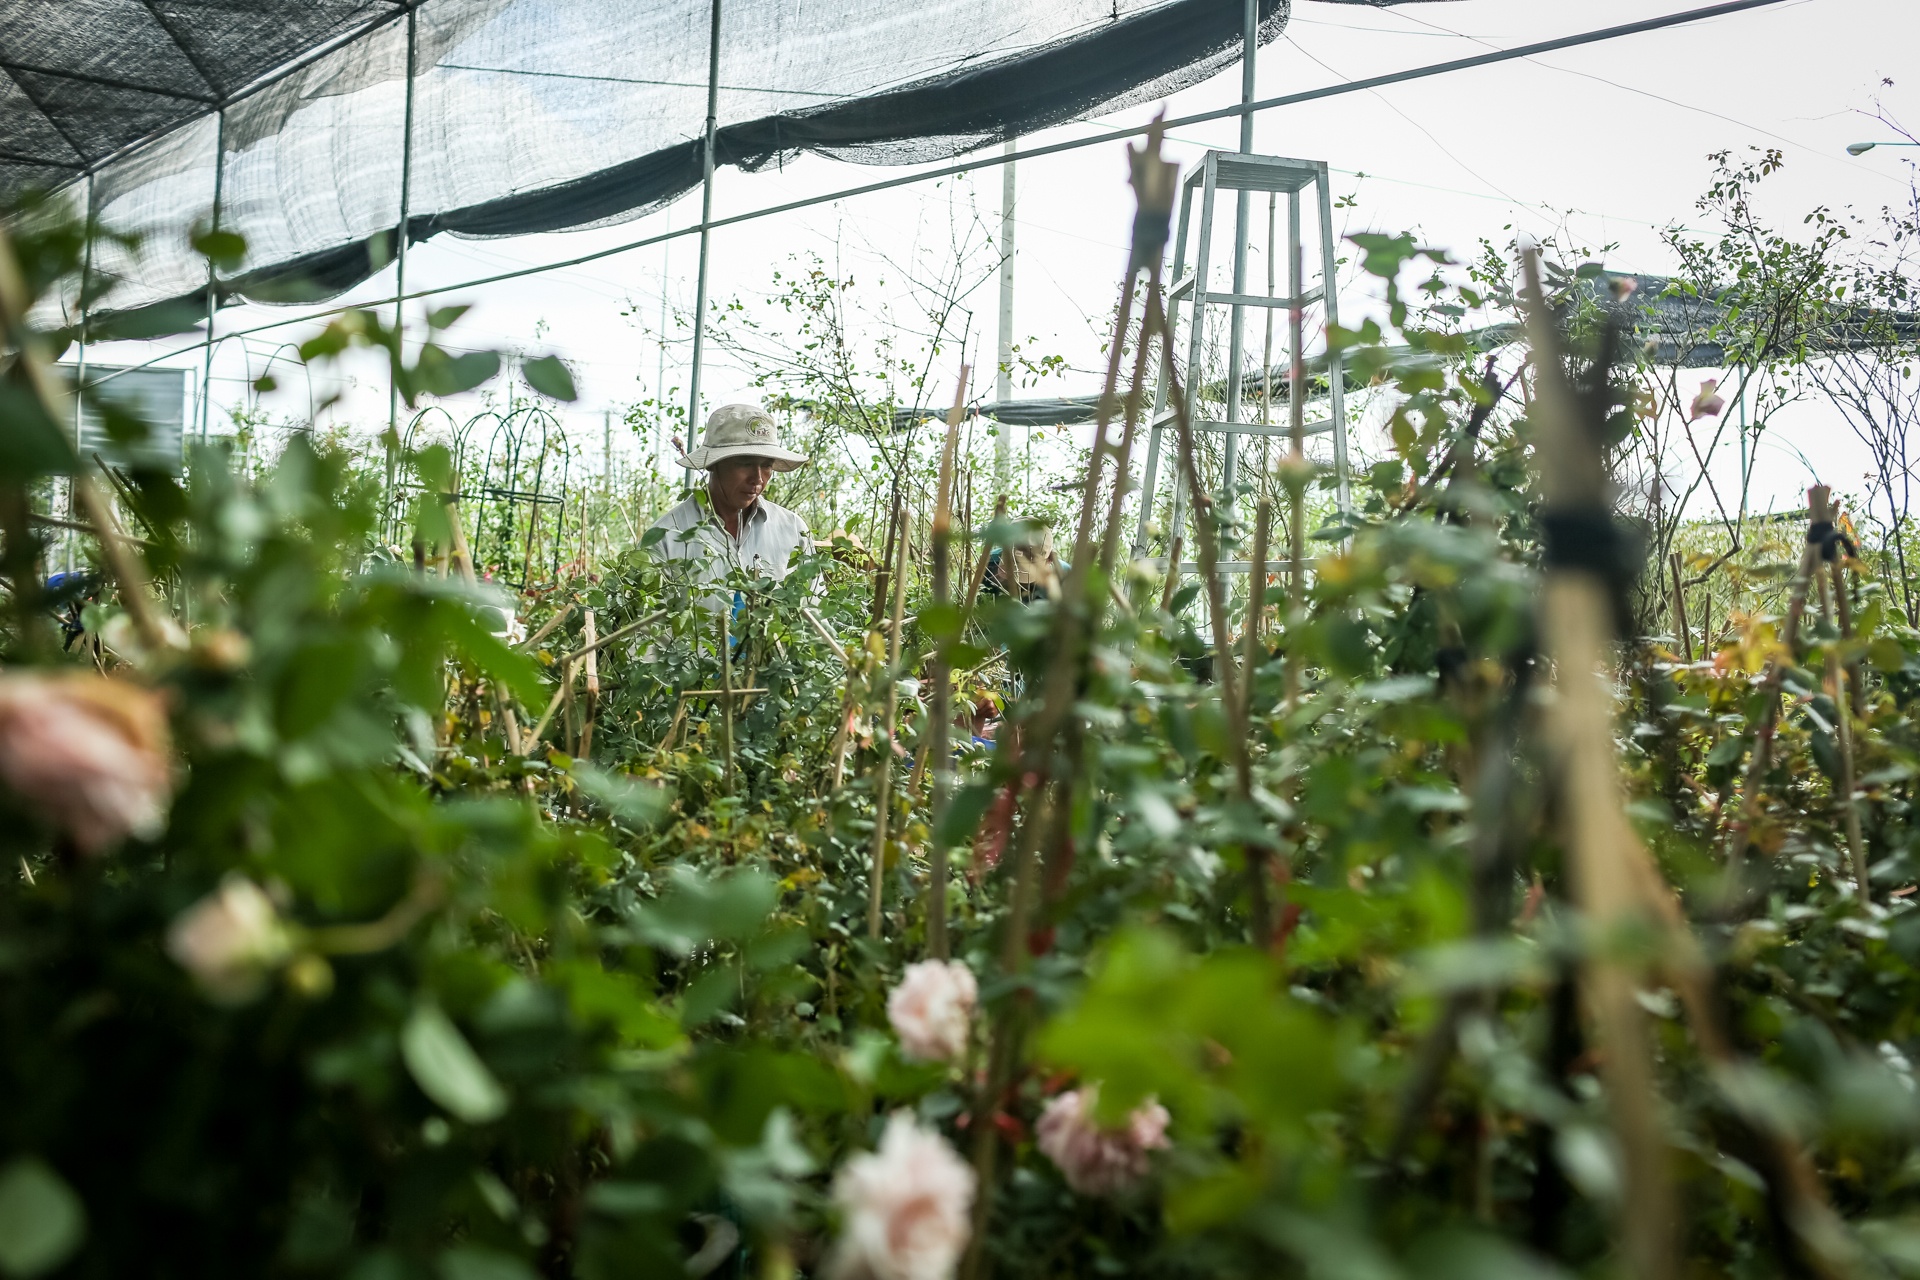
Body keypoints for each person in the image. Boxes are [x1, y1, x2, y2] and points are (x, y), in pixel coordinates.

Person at [647, 404, 812, 591]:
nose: (757, 478)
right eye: (745, 463)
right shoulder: (668, 536)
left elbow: (815, 611)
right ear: (713, 464)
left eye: (766, 466)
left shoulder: (793, 531)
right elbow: (647, 616)